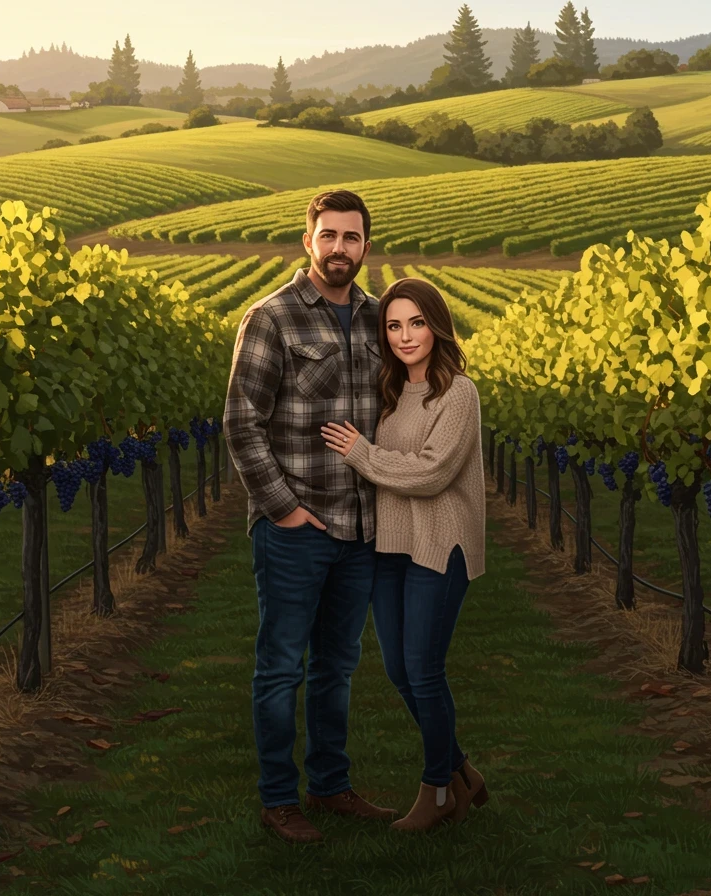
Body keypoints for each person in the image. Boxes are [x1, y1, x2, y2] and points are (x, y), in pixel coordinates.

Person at [223, 189, 397, 845]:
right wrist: (285, 511)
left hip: (362, 530)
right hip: (297, 530)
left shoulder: (382, 320)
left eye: (352, 238)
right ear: (308, 241)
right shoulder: (271, 319)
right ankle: (278, 800)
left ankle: (329, 787)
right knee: (280, 668)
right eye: (329, 236)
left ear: (365, 247)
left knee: (337, 667)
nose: (340, 249)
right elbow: (242, 425)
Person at [320, 277, 488, 832]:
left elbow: (433, 472)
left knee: (424, 669)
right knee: (397, 669)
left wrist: (363, 455)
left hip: (439, 545)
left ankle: (437, 791)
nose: (405, 335)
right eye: (393, 325)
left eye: (416, 322)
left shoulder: (458, 392)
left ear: (436, 325)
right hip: (390, 544)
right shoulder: (390, 392)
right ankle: (460, 767)